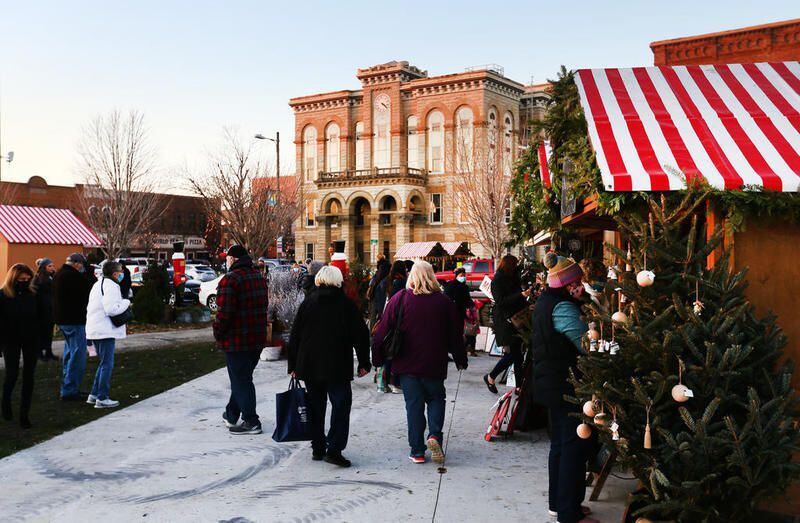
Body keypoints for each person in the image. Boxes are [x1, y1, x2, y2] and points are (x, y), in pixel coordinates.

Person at [372, 261, 468, 464]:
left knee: (414, 406)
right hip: (435, 363)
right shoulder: (443, 302)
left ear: (411, 276)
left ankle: (417, 451)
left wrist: (377, 358)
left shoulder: (400, 299)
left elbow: (381, 332)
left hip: (407, 365)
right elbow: (455, 335)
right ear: (432, 276)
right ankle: (434, 436)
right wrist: (460, 359)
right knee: (436, 400)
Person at [532, 253, 596, 523]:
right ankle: (569, 513)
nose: (581, 285)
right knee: (572, 448)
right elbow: (586, 344)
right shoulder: (562, 307)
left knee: (559, 445)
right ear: (568, 284)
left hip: (551, 383)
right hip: (564, 384)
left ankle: (558, 505)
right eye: (577, 281)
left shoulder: (548, 301)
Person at [288, 265, 371, 468]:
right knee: (341, 407)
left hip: (310, 365)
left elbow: (295, 336)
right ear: (338, 281)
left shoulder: (308, 304)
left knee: (316, 406)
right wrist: (364, 362)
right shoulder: (347, 305)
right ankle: (334, 449)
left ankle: (318, 447)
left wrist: (293, 365)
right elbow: (360, 336)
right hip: (337, 365)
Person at [213, 245, 269, 435]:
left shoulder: (230, 280)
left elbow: (224, 313)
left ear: (233, 259)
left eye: (227, 258)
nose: (226, 261)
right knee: (243, 378)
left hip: (237, 340)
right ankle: (231, 414)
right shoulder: (258, 277)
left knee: (241, 380)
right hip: (257, 338)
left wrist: (218, 332)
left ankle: (251, 421)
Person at [85, 261, 131, 409]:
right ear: (115, 273)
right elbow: (111, 309)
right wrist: (126, 302)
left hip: (95, 328)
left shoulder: (98, 284)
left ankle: (94, 394)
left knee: (103, 362)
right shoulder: (111, 286)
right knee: (107, 364)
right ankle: (102, 397)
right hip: (104, 330)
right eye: (120, 272)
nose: (121, 274)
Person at [0, 264, 41, 428]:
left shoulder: (32, 295)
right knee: (12, 374)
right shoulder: (3, 296)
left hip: (30, 339)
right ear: (13, 279)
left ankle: (24, 413)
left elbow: (40, 316)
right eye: (21, 279)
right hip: (10, 339)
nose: (25, 282)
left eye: (27, 279)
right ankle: (6, 402)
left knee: (29, 376)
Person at [483, 255, 531, 394]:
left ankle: (518, 386)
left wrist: (526, 304)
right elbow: (501, 301)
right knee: (514, 354)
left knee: (517, 354)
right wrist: (521, 295)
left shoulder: (513, 277)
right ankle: (492, 376)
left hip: (515, 319)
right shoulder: (498, 280)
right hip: (505, 321)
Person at [53, 253, 96, 401]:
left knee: (70, 353)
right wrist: (90, 273)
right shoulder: (72, 277)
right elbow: (88, 288)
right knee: (77, 356)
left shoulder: (60, 274)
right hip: (75, 320)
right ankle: (70, 389)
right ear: (77, 264)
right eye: (82, 265)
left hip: (64, 319)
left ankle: (67, 386)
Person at [374, 260, 408, 393]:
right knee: (394, 350)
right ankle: (395, 382)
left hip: (383, 319)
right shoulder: (401, 284)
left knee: (386, 349)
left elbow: (378, 302)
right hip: (396, 321)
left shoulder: (383, 283)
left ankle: (383, 381)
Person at [33, 258, 57, 361]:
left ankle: (48, 351)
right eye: (49, 266)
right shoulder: (39, 279)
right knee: (41, 332)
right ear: (44, 267)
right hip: (42, 309)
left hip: (50, 308)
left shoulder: (51, 277)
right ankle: (39, 353)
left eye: (52, 265)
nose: (52, 268)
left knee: (49, 332)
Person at [366, 255, 391, 326]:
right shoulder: (387, 278)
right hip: (378, 299)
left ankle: (372, 334)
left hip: (375, 298)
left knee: (373, 317)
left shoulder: (378, 277)